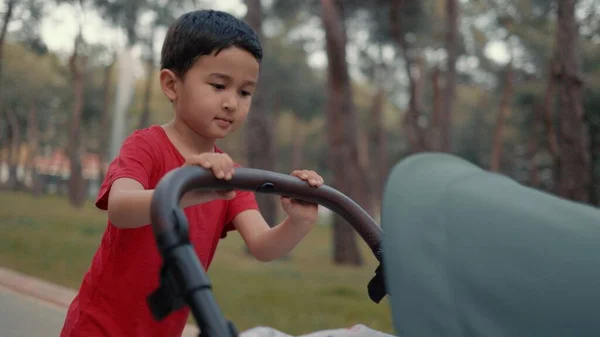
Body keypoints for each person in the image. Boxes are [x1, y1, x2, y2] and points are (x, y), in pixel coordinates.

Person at [60, 9, 324, 337]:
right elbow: (120, 208)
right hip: (100, 328)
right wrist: (185, 190)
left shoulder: (230, 176)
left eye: (244, 92)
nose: (232, 103)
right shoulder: (146, 146)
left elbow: (262, 245)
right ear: (172, 85)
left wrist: (299, 221)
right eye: (218, 85)